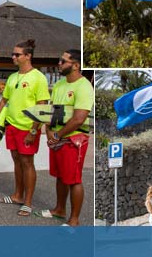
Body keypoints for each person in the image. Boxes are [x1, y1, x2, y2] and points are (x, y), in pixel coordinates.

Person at [0, 39, 50, 217]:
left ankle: (28, 202)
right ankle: (17, 195)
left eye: (17, 54)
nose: (13, 57)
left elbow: (43, 106)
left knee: (27, 163)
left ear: (28, 56)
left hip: (27, 128)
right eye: (13, 54)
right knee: (16, 160)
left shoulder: (38, 77)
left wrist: (34, 131)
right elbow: (4, 100)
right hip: (12, 126)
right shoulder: (12, 77)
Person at [38, 49, 93, 226]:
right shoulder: (60, 85)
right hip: (57, 137)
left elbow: (79, 118)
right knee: (60, 176)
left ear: (76, 66)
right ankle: (59, 210)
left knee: (74, 179)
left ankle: (74, 221)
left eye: (63, 61)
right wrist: (48, 132)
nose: (59, 64)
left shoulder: (84, 86)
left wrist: (57, 135)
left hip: (73, 139)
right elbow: (52, 111)